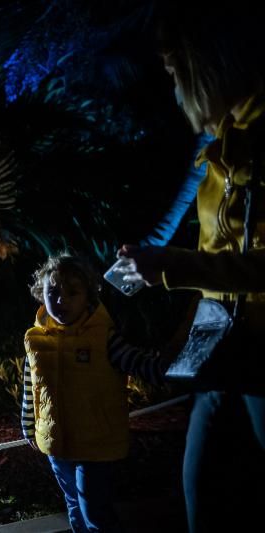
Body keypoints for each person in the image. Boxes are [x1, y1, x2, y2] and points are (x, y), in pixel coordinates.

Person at [117, 4, 265, 531]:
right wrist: (149, 253)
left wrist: (175, 265)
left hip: (262, 348)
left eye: (175, 71)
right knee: (201, 487)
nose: (173, 87)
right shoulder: (219, 131)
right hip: (223, 345)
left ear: (204, 64)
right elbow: (190, 200)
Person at [21, 253, 170, 533]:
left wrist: (167, 365)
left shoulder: (104, 336)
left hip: (96, 443)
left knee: (94, 510)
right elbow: (31, 386)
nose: (61, 300)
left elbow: (137, 362)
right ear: (41, 293)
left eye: (72, 292)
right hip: (56, 442)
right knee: (74, 505)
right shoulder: (35, 339)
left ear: (88, 296)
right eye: (52, 291)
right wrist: (29, 424)